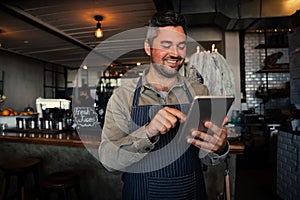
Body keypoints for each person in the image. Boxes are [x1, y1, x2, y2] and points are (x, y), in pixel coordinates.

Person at [98, 10, 229, 200]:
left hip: (191, 193)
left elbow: (209, 157)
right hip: (139, 194)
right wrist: (148, 132)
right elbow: (108, 161)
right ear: (148, 47)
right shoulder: (123, 96)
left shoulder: (200, 92)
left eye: (181, 45)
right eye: (166, 45)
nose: (175, 53)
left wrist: (220, 146)